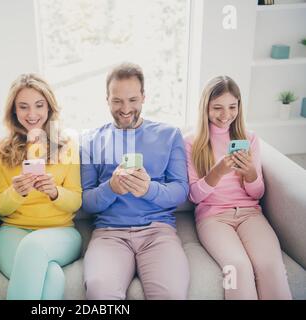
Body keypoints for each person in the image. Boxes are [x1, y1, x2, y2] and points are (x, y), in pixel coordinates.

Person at [81, 62, 190, 300]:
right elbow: (86, 202)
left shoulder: (169, 135)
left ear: (143, 98)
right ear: (107, 100)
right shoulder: (90, 141)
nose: (126, 108)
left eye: (132, 100)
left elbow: (181, 190)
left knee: (171, 294)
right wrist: (111, 188)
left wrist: (149, 189)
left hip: (157, 232)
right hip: (109, 234)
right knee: (100, 291)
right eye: (117, 101)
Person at [184, 75, 292, 299]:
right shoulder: (191, 143)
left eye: (232, 107)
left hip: (250, 214)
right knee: (237, 267)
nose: (225, 115)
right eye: (217, 108)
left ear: (239, 107)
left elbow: (257, 193)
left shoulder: (249, 139)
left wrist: (250, 173)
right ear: (206, 108)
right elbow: (194, 196)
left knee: (271, 266)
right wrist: (217, 173)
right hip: (213, 217)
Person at [0, 73, 82, 300]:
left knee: (33, 247)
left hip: (60, 232)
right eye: (23, 107)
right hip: (13, 232)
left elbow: (76, 201)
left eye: (39, 105)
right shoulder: (0, 149)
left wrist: (55, 192)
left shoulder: (67, 145)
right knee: (53, 277)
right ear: (13, 111)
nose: (32, 114)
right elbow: (0, 207)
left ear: (49, 107)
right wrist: (17, 192)